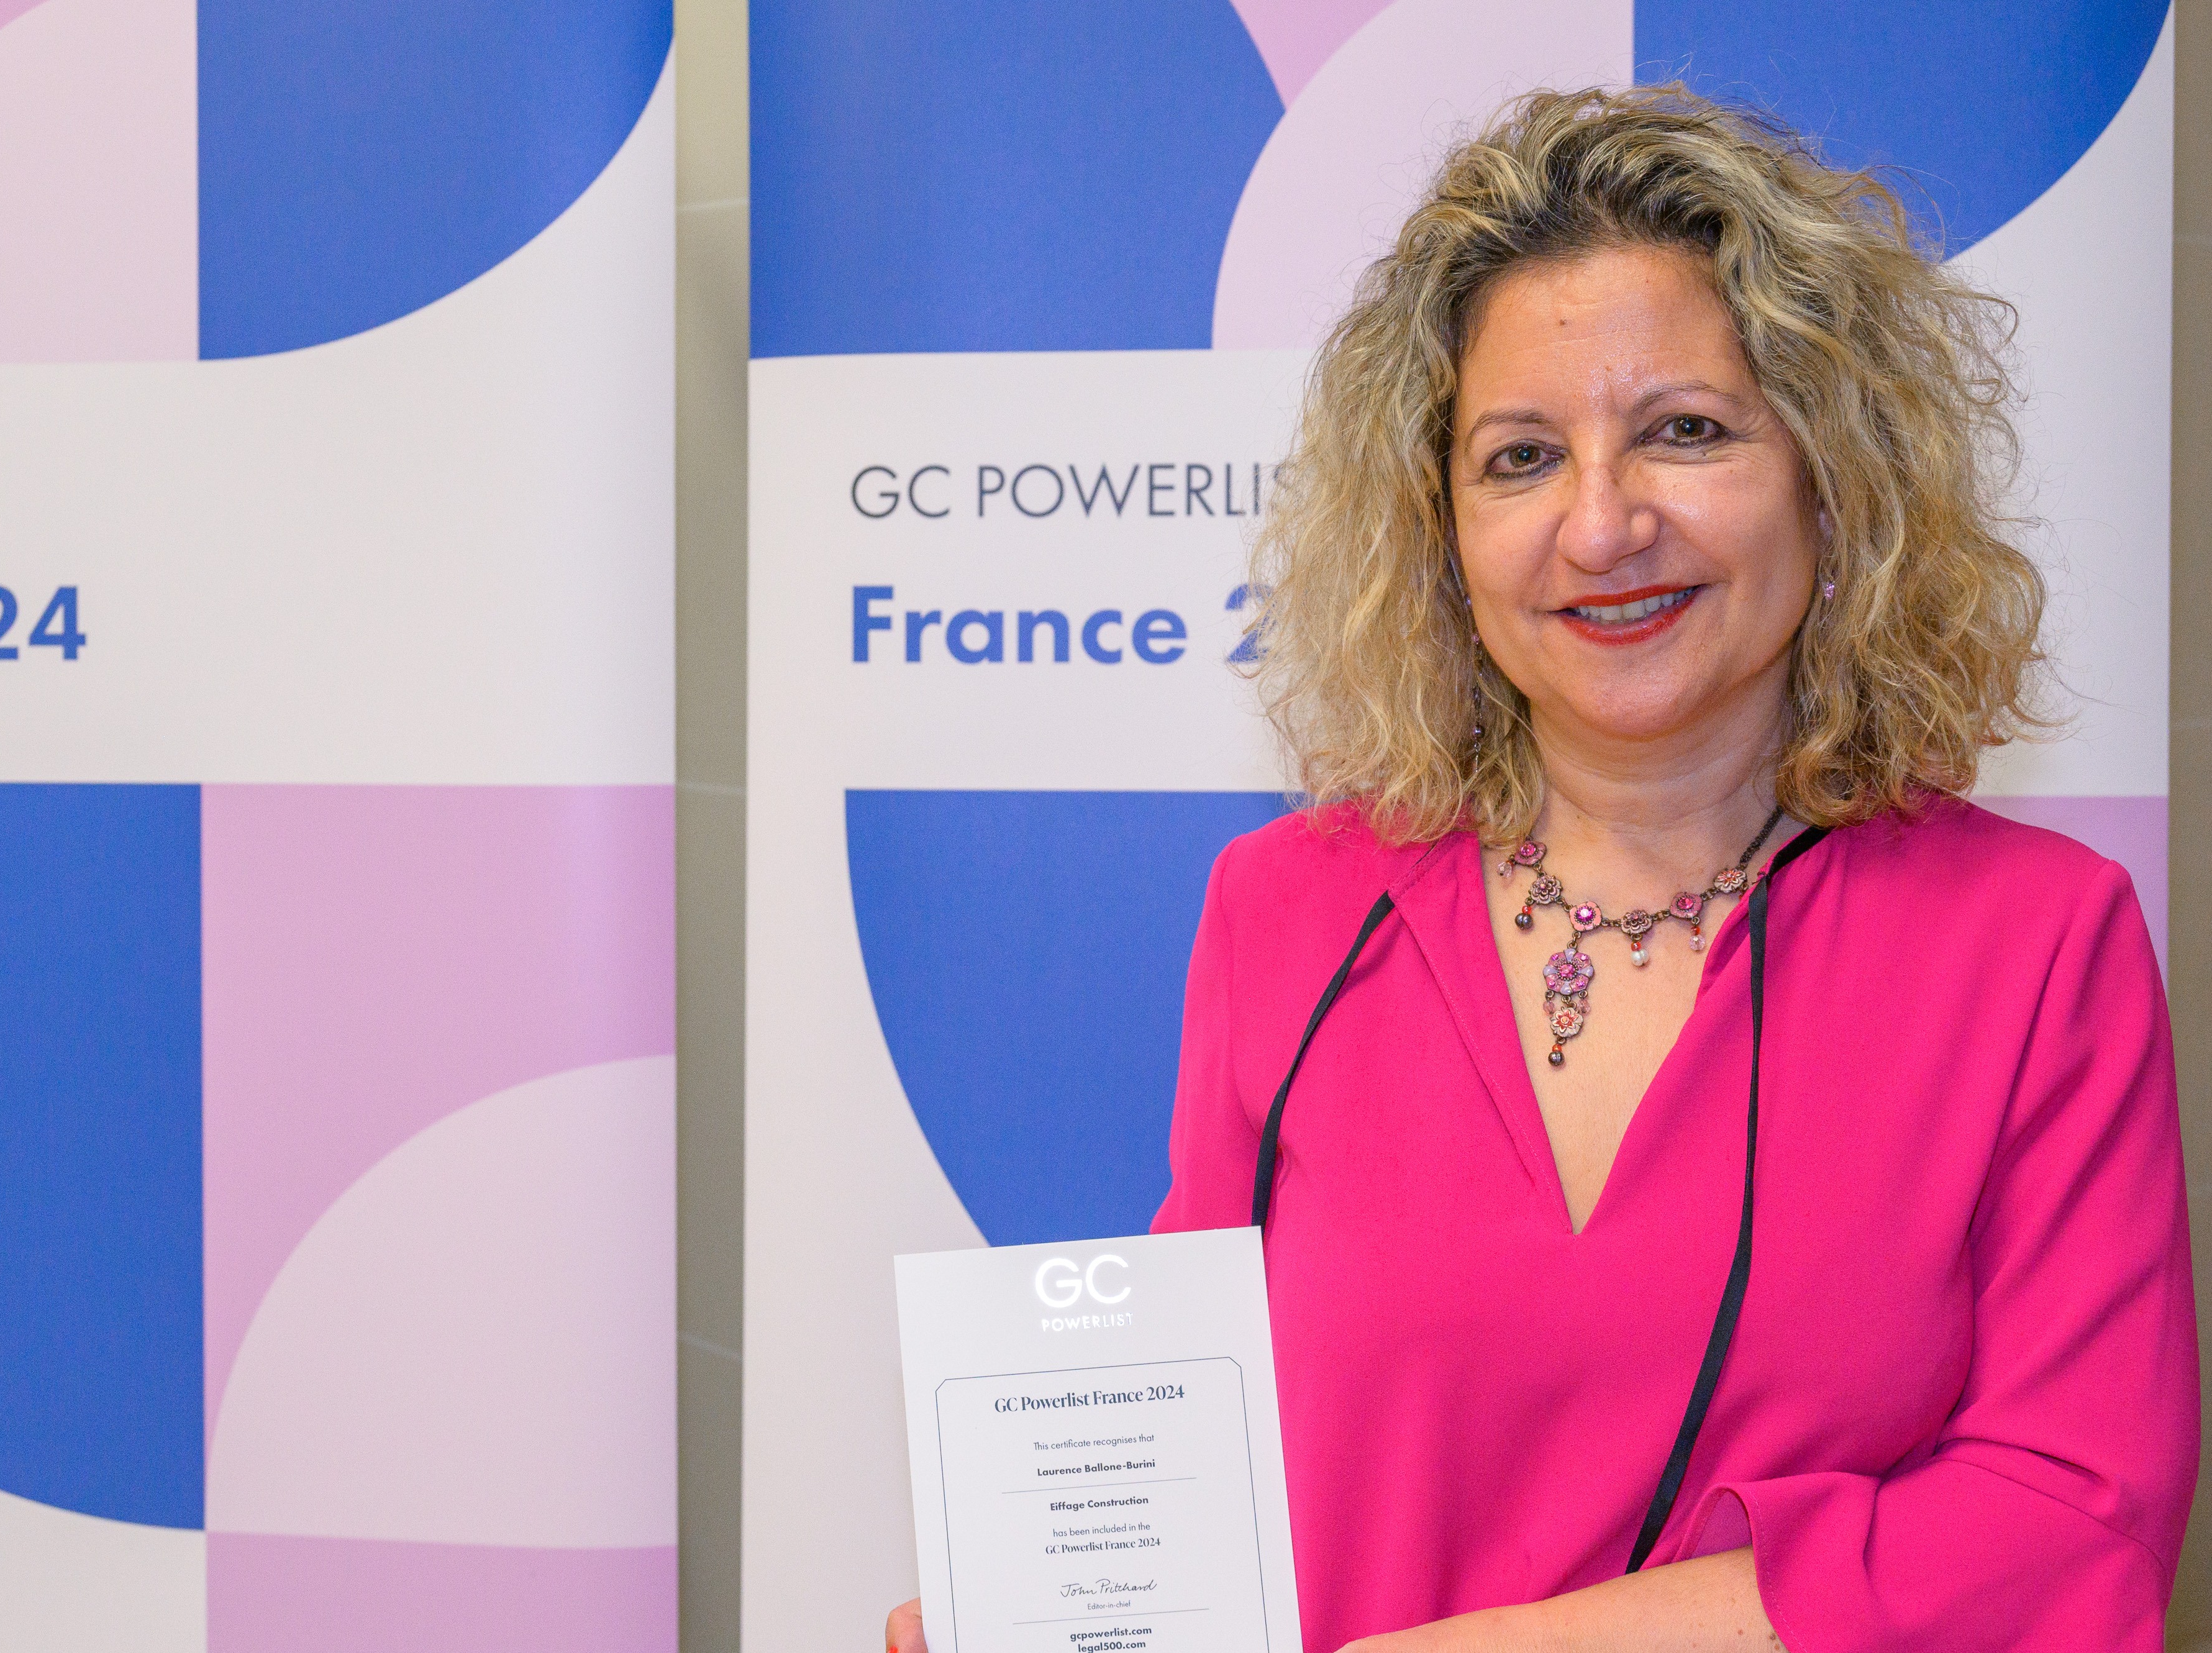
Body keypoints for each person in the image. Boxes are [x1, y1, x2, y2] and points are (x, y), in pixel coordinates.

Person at [886, 86, 2196, 1652]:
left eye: (1684, 431)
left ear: (1830, 475)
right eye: (1517, 457)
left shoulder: (2033, 941)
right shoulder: (1288, 911)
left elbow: (2068, 1518)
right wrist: (1066, 1606)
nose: (1598, 524)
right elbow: (1195, 1446)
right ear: (1438, 528)